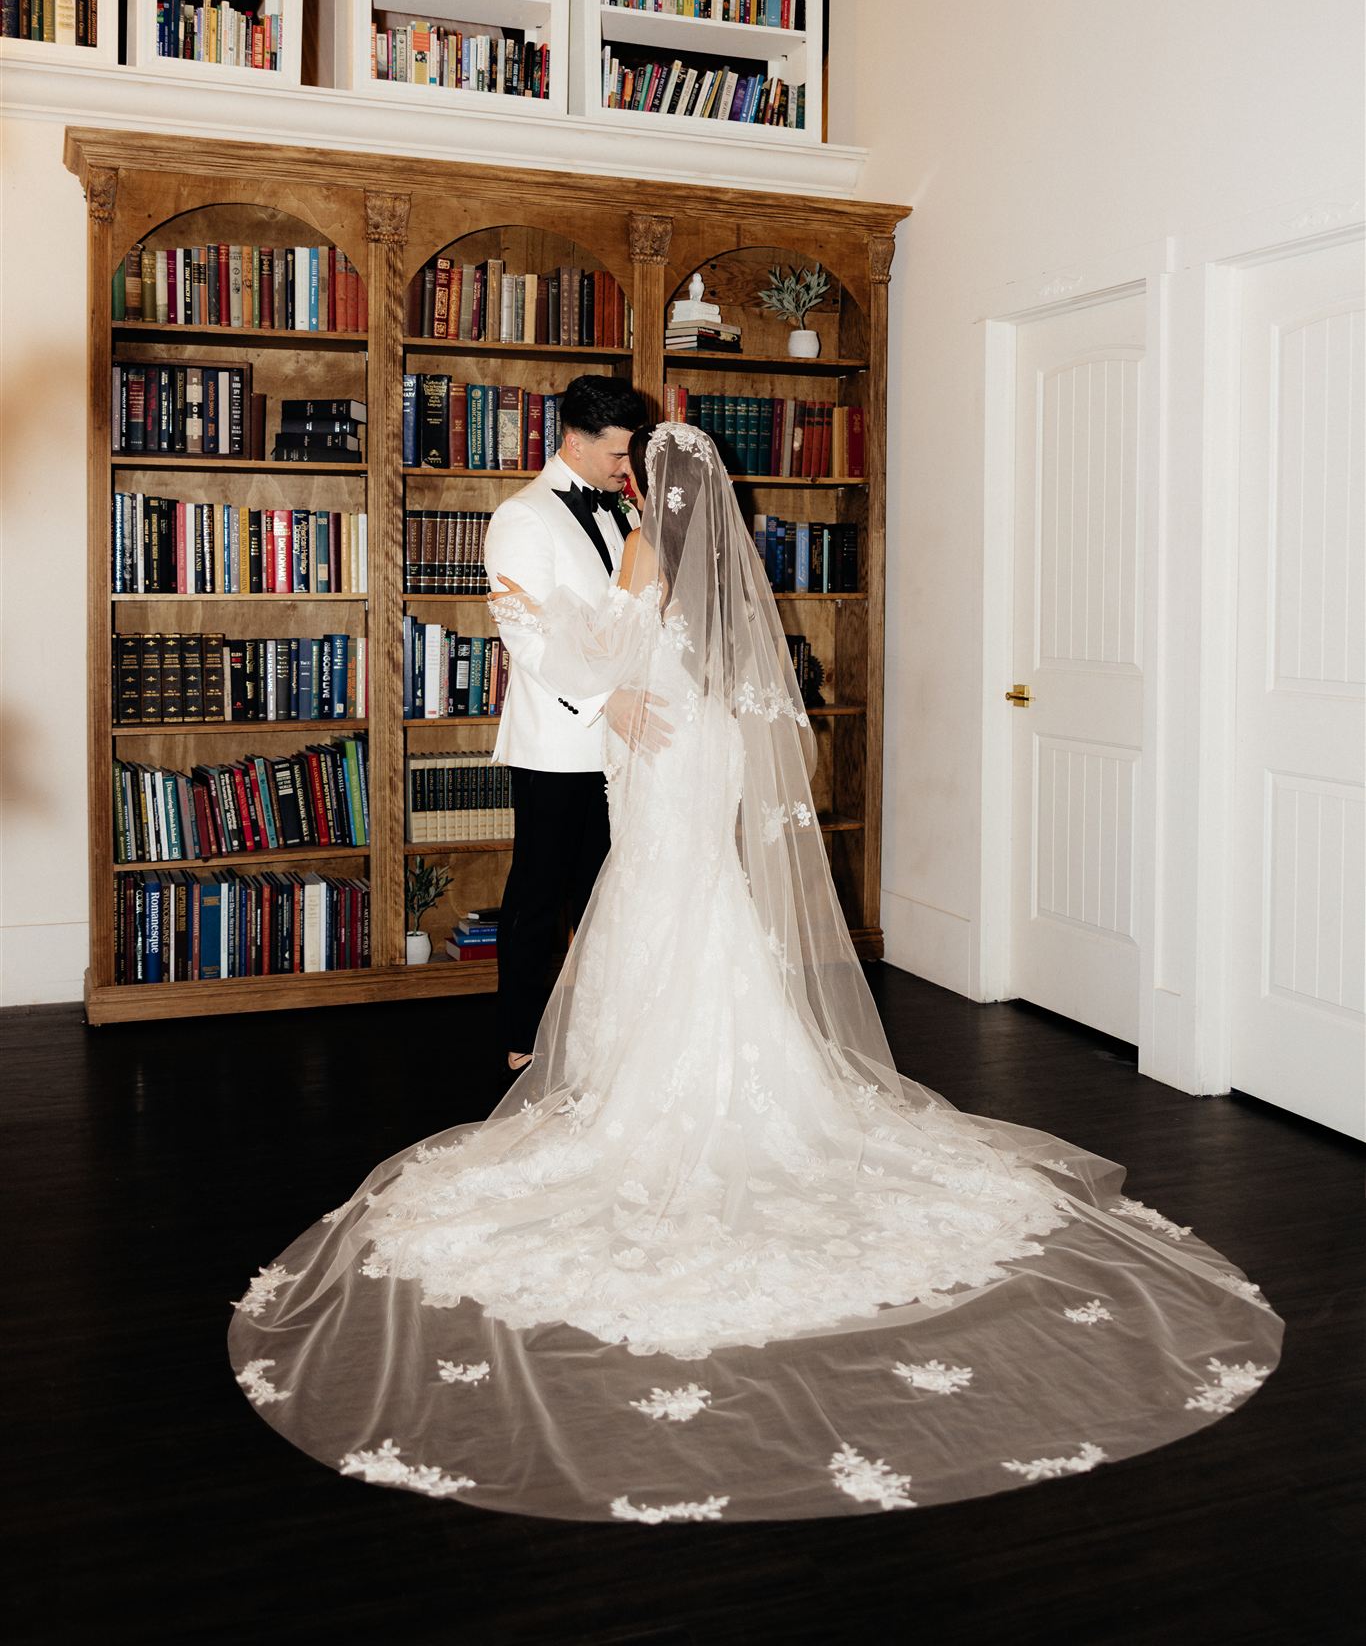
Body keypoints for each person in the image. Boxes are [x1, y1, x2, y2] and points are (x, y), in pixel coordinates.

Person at [230, 422, 1282, 1524]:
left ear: (655, 484)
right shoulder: (723, 562)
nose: (630, 477)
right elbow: (706, 659)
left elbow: (606, 651)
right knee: (693, 894)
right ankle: (720, 1060)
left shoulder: (638, 545)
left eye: (641, 468)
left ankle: (642, 1079)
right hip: (707, 738)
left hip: (661, 743)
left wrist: (556, 637)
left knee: (649, 887)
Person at [482, 373, 656, 1071]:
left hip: (625, 745)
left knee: (605, 891)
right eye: (617, 454)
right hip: (559, 740)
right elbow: (526, 637)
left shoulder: (626, 513)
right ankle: (521, 1042)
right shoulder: (521, 517)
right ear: (575, 443)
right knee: (538, 893)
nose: (627, 468)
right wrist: (601, 700)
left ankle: (595, 1034)